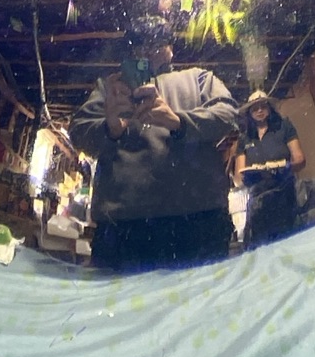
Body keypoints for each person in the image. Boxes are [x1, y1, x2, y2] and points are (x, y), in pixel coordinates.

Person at [73, 21, 238, 270]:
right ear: (132, 52)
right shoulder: (111, 87)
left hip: (199, 221)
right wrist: (110, 128)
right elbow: (78, 132)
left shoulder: (199, 78)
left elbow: (229, 115)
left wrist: (178, 122)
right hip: (123, 228)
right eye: (140, 46)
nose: (148, 51)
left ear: (171, 49)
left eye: (157, 44)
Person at [235, 93, 304, 246]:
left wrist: (285, 168)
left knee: (289, 241)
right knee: (261, 245)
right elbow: (239, 177)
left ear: (270, 108)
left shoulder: (283, 126)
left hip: (284, 195)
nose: (259, 110)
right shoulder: (244, 138)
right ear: (249, 113)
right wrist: (249, 176)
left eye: (263, 106)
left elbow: (300, 159)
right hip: (258, 202)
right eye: (255, 108)